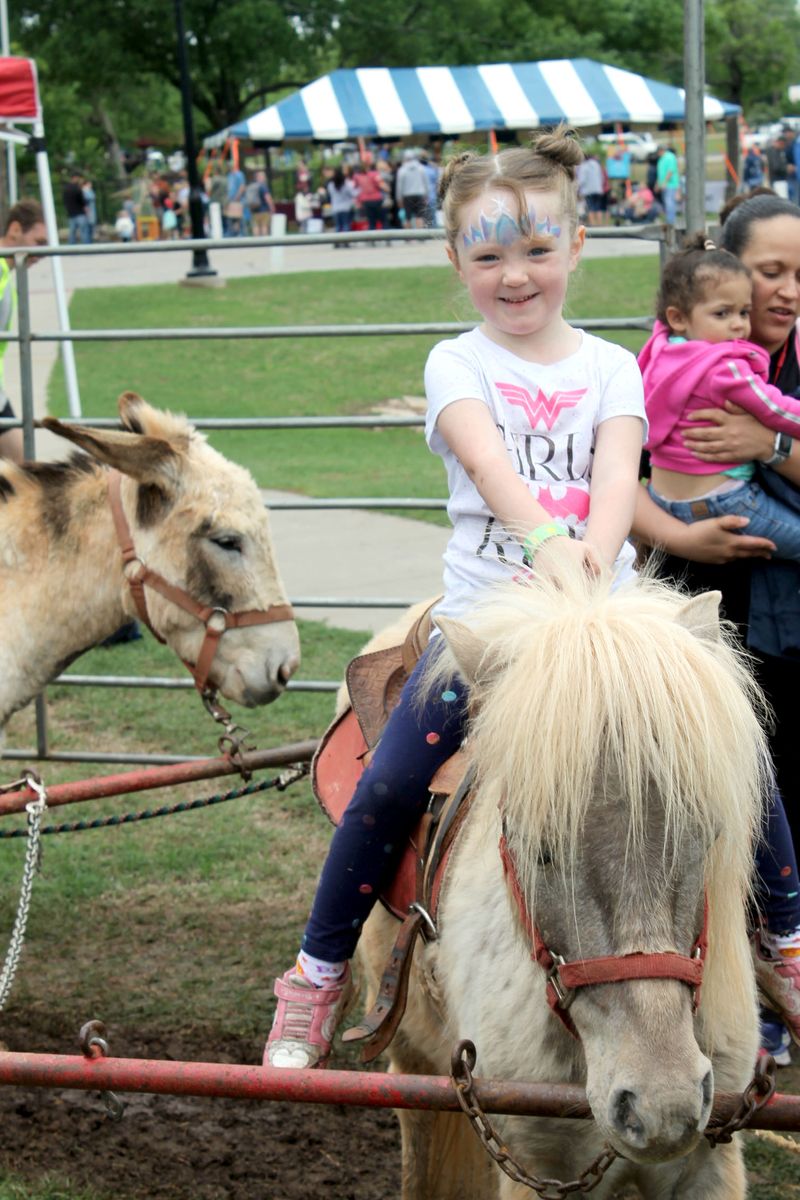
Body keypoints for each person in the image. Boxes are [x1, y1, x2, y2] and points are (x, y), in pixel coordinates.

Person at [265, 126, 647, 1070]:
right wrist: (550, 545)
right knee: (390, 783)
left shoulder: (611, 366)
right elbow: (487, 460)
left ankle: (783, 944)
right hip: (488, 629)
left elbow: (618, 480)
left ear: (576, 245)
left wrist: (591, 562)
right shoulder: (457, 363)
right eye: (488, 256)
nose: (515, 275)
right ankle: (315, 974)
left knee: (735, 764)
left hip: (610, 625)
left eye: (536, 250)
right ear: (456, 259)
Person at [632, 192, 800, 1057]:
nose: (784, 292)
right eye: (769, 272)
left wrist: (767, 444)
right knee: (700, 806)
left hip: (788, 620)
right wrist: (677, 531)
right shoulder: (675, 358)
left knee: (781, 798)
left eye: (798, 274)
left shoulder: (780, 367)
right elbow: (619, 472)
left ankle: (774, 1003)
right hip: (692, 600)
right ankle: (706, 996)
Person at [640, 233, 800, 561]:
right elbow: (775, 409)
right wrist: (678, 539)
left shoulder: (659, 353)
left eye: (743, 312)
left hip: (664, 500)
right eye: (770, 272)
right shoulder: (727, 366)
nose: (738, 325)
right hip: (726, 502)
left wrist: (767, 444)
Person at [0, 200, 48, 462]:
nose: (42, 253)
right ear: (15, 229)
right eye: (39, 242)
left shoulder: (7, 271)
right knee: (24, 471)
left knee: (22, 469)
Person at [395, 149, 429, 230]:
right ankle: (420, 235)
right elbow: (425, 182)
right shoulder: (421, 168)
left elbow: (399, 186)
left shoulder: (402, 170)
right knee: (419, 216)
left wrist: (399, 198)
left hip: (407, 196)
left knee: (407, 217)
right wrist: (426, 195)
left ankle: (408, 236)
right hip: (420, 194)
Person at [352, 160, 388, 233]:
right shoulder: (374, 174)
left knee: (371, 221)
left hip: (365, 201)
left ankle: (372, 240)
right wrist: (388, 189)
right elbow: (382, 185)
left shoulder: (357, 176)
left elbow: (355, 188)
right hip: (377, 199)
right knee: (383, 220)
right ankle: (387, 239)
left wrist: (358, 201)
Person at [326, 166, 356, 245]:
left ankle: (337, 242)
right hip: (345, 207)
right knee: (346, 225)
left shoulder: (331, 185)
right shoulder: (345, 184)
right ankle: (346, 242)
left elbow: (330, 195)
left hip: (335, 208)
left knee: (338, 226)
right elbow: (352, 194)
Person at [576, 151, 605, 226]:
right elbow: (601, 177)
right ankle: (600, 225)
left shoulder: (584, 166)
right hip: (598, 189)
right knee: (598, 208)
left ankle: (593, 225)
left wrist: (577, 188)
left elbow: (582, 180)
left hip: (588, 191)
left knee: (590, 208)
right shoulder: (596, 164)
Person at [656, 144, 681, 227]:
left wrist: (664, 182)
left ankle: (671, 221)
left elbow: (670, 171)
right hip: (664, 185)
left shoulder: (670, 157)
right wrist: (658, 183)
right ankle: (668, 219)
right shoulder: (661, 159)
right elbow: (660, 173)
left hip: (671, 184)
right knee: (666, 203)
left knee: (669, 202)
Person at [245, 170, 275, 237]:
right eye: (263, 176)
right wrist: (272, 208)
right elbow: (268, 198)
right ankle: (264, 244)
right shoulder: (263, 186)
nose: (265, 178)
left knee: (255, 227)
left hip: (254, 211)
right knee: (264, 226)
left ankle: (256, 244)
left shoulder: (252, 186)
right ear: (259, 177)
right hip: (264, 211)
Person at [63, 172, 89, 245]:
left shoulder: (66, 188)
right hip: (80, 212)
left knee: (72, 232)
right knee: (83, 231)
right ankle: (86, 247)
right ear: (75, 178)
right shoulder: (77, 188)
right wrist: (85, 207)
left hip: (71, 212)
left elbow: (65, 200)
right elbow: (82, 200)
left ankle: (72, 247)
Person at [82, 179, 97, 243]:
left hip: (91, 212)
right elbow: (90, 198)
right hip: (87, 212)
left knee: (91, 228)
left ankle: (90, 242)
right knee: (87, 228)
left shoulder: (89, 191)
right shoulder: (84, 191)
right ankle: (87, 243)